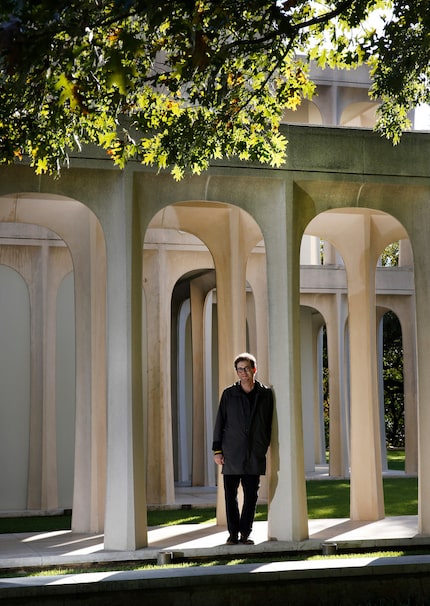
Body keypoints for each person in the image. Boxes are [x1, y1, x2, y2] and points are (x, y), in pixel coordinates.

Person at [212, 352, 273, 545]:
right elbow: (220, 421)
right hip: (231, 452)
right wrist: (217, 450)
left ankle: (245, 533)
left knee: (251, 496)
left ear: (254, 369)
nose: (243, 372)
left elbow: (270, 422)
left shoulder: (265, 394)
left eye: (246, 368)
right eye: (239, 369)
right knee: (230, 496)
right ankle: (233, 534)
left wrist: (264, 443)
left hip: (254, 453)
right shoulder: (229, 394)